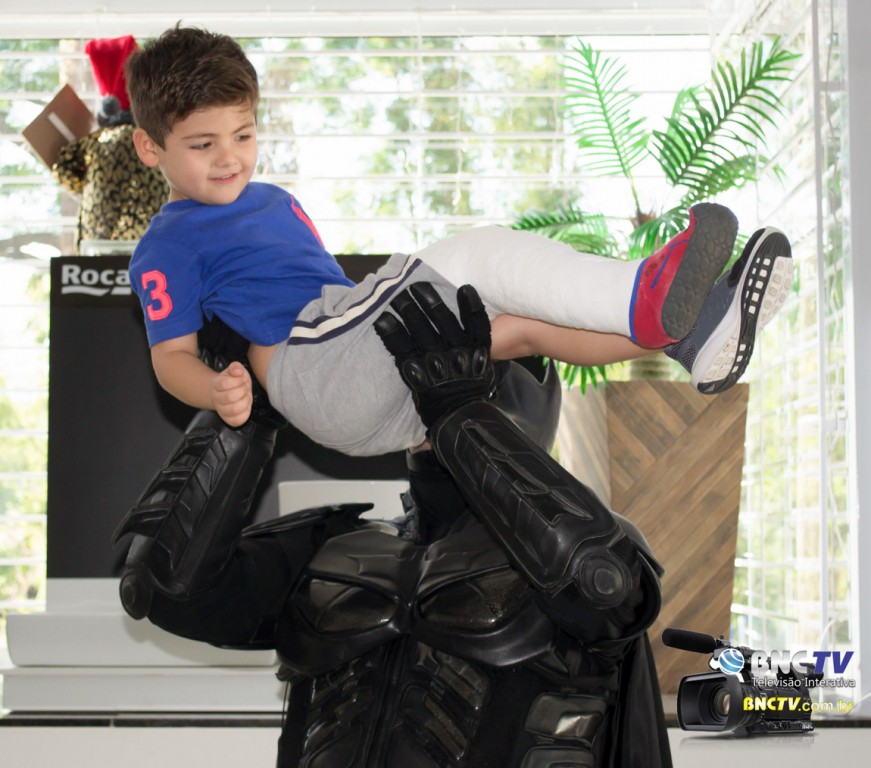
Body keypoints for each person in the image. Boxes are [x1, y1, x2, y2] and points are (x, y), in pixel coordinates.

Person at [125, 26, 793, 457]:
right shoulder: (167, 244)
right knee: (474, 257)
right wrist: (214, 390)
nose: (229, 158)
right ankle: (640, 293)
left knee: (520, 328)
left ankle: (689, 336)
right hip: (316, 372)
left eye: (243, 135)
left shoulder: (274, 201)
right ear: (150, 147)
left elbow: (338, 302)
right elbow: (169, 358)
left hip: (371, 383)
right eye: (203, 144)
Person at [114, 282, 673, 767]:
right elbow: (163, 589)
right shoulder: (337, 549)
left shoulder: (585, 551)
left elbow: (602, 584)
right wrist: (241, 413)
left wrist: (460, 413)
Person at [52, 35, 167, 252]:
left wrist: (86, 182)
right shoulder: (156, 138)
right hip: (154, 240)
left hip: (99, 243)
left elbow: (63, 168)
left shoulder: (96, 141)